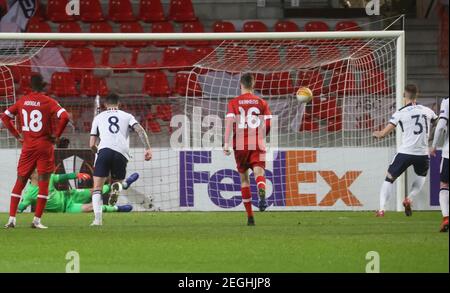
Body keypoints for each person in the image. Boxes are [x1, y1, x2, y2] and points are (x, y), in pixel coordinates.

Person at [1, 74, 70, 229]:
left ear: (30, 86)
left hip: (28, 146)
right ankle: (36, 221)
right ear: (43, 86)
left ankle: (11, 219)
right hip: (45, 147)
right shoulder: (49, 101)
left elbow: (5, 117)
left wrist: (17, 135)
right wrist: (56, 136)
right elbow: (65, 117)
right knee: (44, 183)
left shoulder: (22, 101)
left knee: (20, 181)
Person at [373, 84, 438, 217]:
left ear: (404, 96)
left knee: (389, 179)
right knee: (421, 176)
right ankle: (410, 198)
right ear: (417, 95)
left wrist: (377, 133)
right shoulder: (427, 110)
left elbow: (384, 133)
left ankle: (381, 209)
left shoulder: (400, 113)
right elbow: (438, 123)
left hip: (405, 152)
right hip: (422, 153)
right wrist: (431, 138)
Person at [89, 93, 152, 226]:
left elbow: (91, 144)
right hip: (121, 153)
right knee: (117, 182)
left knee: (97, 188)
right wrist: (147, 149)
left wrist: (97, 152)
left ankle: (97, 220)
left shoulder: (98, 117)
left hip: (104, 150)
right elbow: (140, 130)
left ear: (105, 105)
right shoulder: (127, 116)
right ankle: (116, 187)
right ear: (119, 104)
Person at [223, 73, 272, 226]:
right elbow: (269, 124)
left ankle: (250, 217)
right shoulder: (261, 102)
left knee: (244, 179)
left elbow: (230, 122)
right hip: (257, 142)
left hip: (240, 145)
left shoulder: (233, 102)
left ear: (241, 85)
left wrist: (226, 143)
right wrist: (262, 136)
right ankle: (262, 192)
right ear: (253, 84)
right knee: (259, 173)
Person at [17, 169, 137, 214]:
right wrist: (18, 210)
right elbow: (20, 208)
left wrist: (77, 175)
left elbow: (64, 177)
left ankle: (124, 184)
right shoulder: (29, 193)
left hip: (69, 195)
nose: (40, 171)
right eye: (37, 170)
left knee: (94, 191)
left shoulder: (49, 177)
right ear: (32, 175)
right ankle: (118, 209)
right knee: (90, 207)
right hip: (66, 208)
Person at [430, 97, 449, 232]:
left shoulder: (447, 101)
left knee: (444, 185)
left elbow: (441, 125)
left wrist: (434, 145)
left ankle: (446, 218)